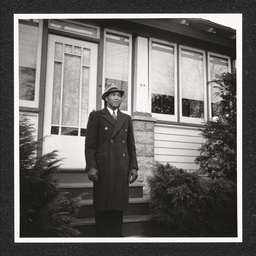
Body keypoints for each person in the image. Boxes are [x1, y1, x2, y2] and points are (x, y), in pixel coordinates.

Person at [85, 83, 138, 237]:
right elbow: (90, 145)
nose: (117, 97)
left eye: (119, 95)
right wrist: (91, 167)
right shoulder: (96, 116)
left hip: (121, 168)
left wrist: (133, 167)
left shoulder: (126, 118)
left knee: (117, 207)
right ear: (106, 98)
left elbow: (131, 145)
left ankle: (116, 239)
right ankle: (102, 240)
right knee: (102, 207)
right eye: (113, 94)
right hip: (103, 168)